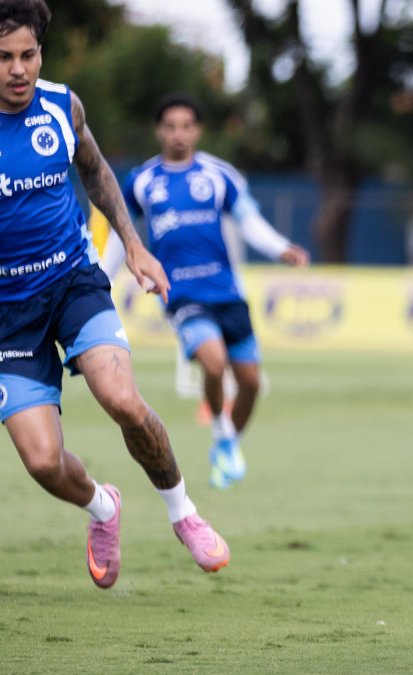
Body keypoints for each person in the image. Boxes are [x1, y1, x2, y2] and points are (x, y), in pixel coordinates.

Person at [0, 0, 230, 590]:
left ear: (41, 55)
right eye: (3, 57)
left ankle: (183, 513)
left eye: (28, 55)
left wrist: (134, 245)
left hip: (73, 281)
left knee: (124, 401)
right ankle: (103, 507)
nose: (18, 69)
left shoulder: (63, 106)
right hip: (4, 311)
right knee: (41, 461)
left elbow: (97, 171)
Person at [122, 94, 310, 490]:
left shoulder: (218, 175)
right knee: (212, 362)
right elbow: (119, 239)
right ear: (159, 131)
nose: (178, 134)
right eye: (170, 126)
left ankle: (226, 444)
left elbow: (249, 221)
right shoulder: (141, 181)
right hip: (181, 294)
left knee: (252, 384)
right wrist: (98, 279)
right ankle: (222, 430)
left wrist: (281, 248)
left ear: (197, 130)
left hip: (227, 292)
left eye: (186, 126)